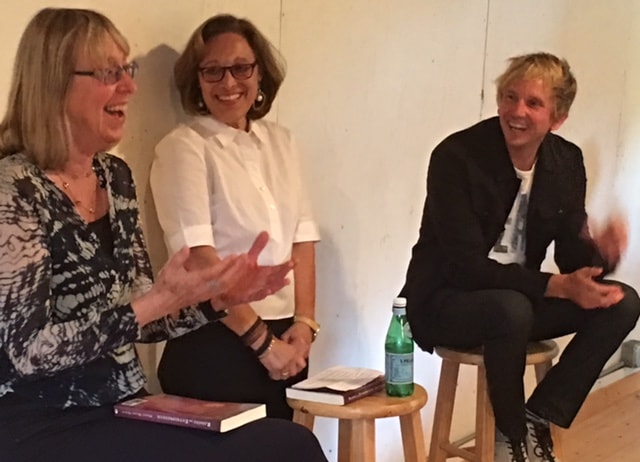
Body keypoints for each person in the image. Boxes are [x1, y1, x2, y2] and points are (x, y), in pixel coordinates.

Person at [0, 8, 327, 462]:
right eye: (110, 73)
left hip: (125, 403)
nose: (130, 87)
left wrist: (216, 298)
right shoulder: (13, 188)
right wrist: (156, 301)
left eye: (127, 70)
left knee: (289, 442)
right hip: (42, 419)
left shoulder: (114, 177)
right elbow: (30, 353)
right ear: (55, 82)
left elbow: (146, 315)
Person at [401, 52, 640, 462]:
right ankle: (508, 439)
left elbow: (570, 259)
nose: (516, 112)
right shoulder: (456, 157)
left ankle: (538, 416)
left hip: (519, 303)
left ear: (558, 117)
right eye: (509, 97)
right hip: (445, 301)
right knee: (509, 309)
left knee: (623, 301)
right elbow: (461, 265)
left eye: (533, 103)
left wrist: (600, 255)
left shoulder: (565, 162)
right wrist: (552, 285)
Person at [150, 14, 320, 420]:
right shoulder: (184, 147)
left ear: (260, 73)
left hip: (285, 339)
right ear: (196, 79)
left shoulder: (282, 142)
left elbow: (303, 238)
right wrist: (263, 344)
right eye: (213, 71)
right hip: (215, 341)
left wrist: (306, 323)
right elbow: (197, 260)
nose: (229, 83)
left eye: (241, 68)